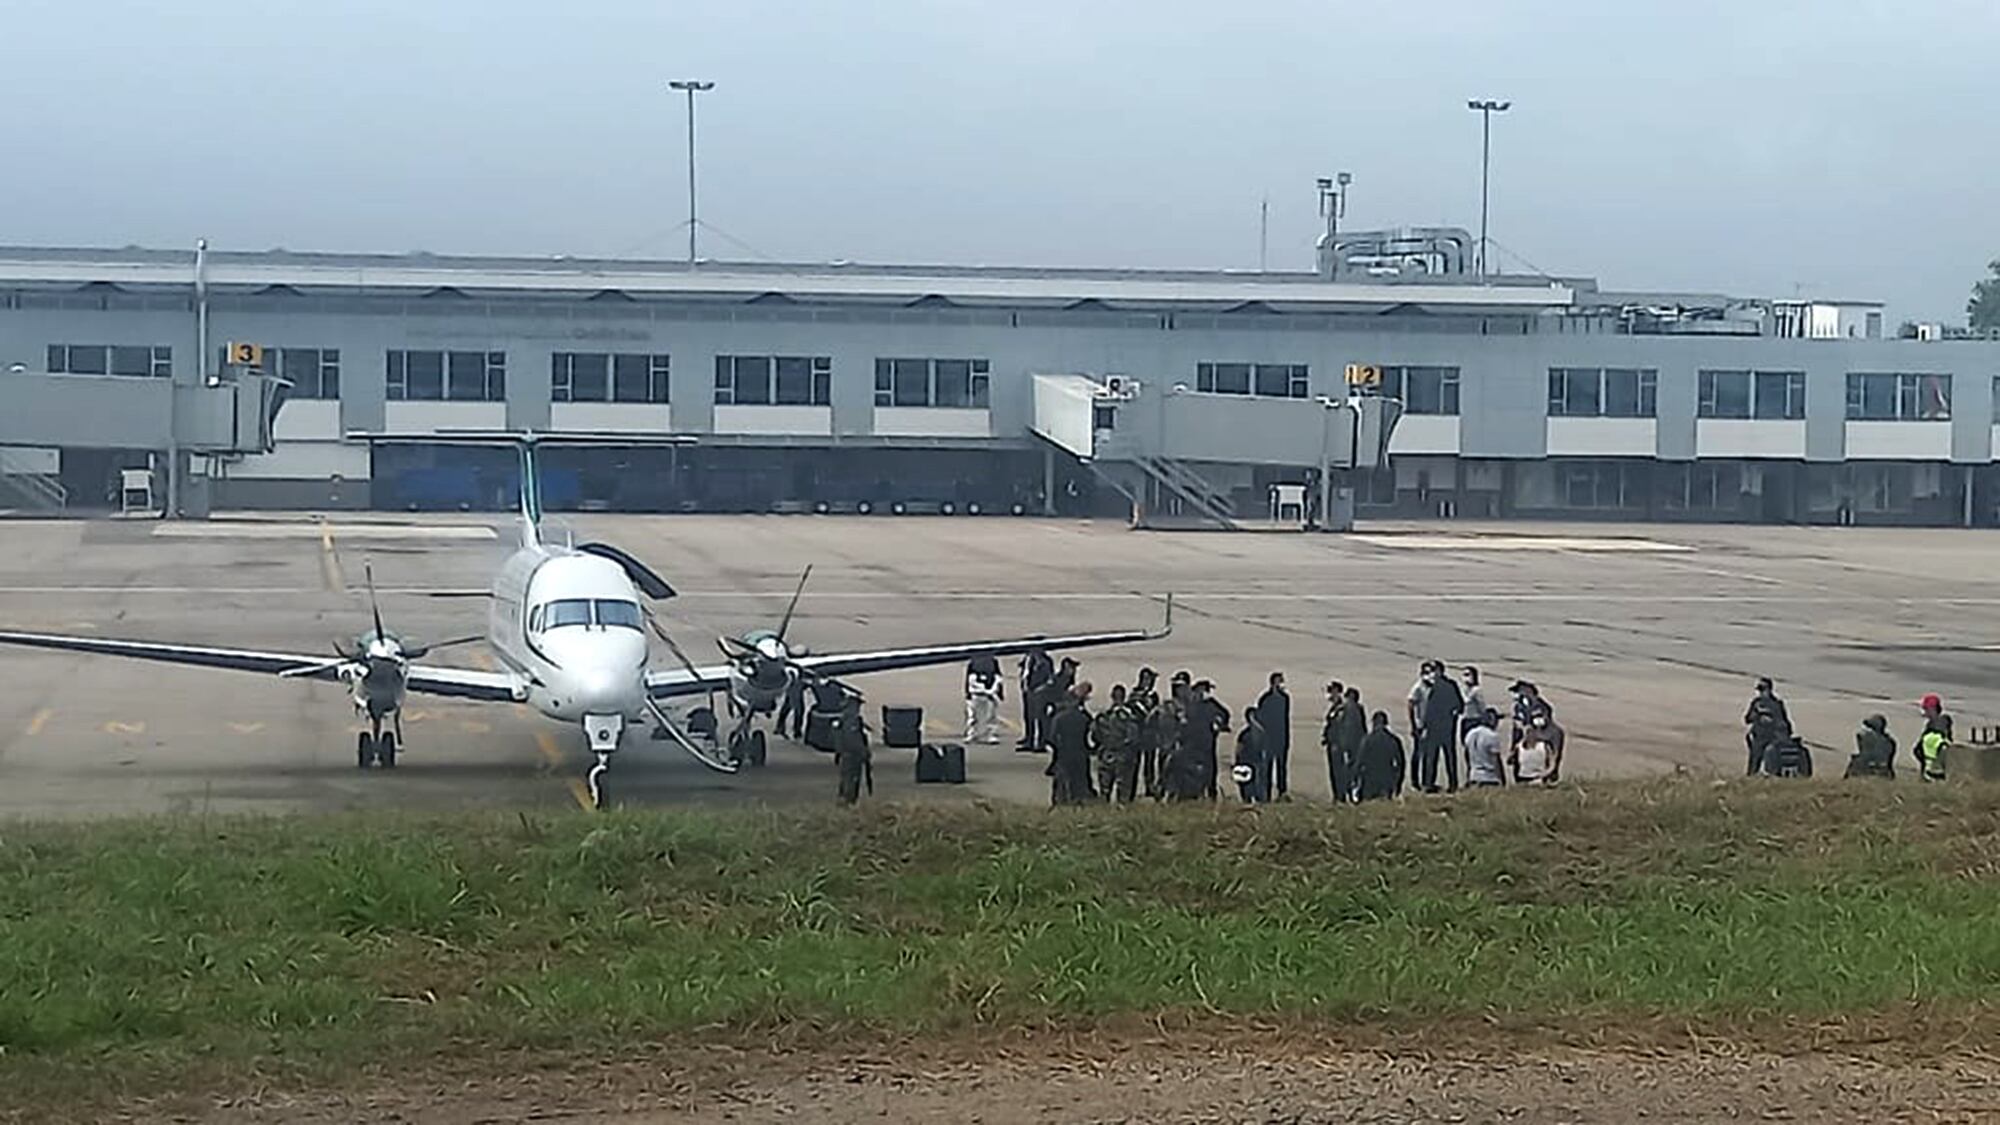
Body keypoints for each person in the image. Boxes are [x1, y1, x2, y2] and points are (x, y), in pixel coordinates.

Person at [1418, 663, 1465, 794]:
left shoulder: (1439, 687)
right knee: (1446, 756)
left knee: (1434, 756)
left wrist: (1424, 725)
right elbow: (1459, 706)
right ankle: (1451, 783)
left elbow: (1430, 709)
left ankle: (1430, 783)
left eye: (1434, 670)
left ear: (1440, 671)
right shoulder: (1449, 685)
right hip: (1446, 727)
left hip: (1438, 727)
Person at [1047, 680, 1096, 805]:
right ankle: (1079, 800)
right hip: (1080, 755)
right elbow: (1091, 737)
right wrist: (1090, 750)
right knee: (1080, 781)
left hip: (1063, 754)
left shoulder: (1059, 718)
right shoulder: (1084, 718)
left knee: (1061, 782)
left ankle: (1060, 802)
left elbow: (1052, 738)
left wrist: (1058, 748)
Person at [1093, 683, 1142, 804]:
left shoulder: (1103, 716)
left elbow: (1095, 736)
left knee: (1104, 790)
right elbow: (1133, 738)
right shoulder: (1129, 717)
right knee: (1123, 792)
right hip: (1123, 756)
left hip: (1106, 755)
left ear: (1112, 696)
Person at [1187, 680, 1230, 801]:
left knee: (1210, 769)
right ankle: (1199, 792)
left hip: (1207, 740)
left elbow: (1225, 714)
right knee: (1198, 768)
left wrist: (1220, 725)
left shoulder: (1210, 703)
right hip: (1196, 741)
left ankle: (1211, 792)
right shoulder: (1193, 704)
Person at [1743, 677, 1793, 777]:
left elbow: (1783, 721)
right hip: (1758, 737)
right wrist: (1756, 716)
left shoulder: (1776, 704)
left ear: (1769, 689)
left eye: (1762, 689)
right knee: (1754, 761)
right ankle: (1751, 776)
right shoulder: (1756, 702)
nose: (1760, 693)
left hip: (1772, 737)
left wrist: (1774, 724)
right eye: (1759, 690)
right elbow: (1747, 719)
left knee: (1772, 758)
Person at [1255, 671, 1292, 800]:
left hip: (1282, 737)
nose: (1281, 683)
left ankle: (1282, 792)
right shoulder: (1265, 698)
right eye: (1279, 681)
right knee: (1268, 766)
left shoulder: (1285, 698)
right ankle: (1267, 793)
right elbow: (1260, 716)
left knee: (1282, 766)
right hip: (1269, 737)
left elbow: (1285, 718)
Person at [1128, 668, 1163, 799]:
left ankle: (1150, 786)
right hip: (1138, 732)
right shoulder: (1134, 695)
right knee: (1135, 762)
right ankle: (1131, 788)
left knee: (1150, 762)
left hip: (1150, 733)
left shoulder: (1153, 695)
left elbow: (1155, 712)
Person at [1356, 711, 1406, 801]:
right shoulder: (1394, 740)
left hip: (1369, 782)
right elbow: (1401, 764)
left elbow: (1359, 763)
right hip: (1387, 782)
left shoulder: (1367, 740)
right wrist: (1397, 783)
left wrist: (1356, 783)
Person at [833, 692, 872, 805]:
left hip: (845, 754)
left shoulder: (843, 719)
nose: (858, 708)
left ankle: (844, 800)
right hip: (852, 755)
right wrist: (864, 752)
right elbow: (853, 739)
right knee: (852, 779)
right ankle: (848, 801)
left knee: (846, 778)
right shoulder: (851, 720)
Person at [1017, 647, 1054, 752]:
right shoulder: (1027, 658)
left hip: (1038, 692)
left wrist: (1040, 689)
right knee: (1028, 717)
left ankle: (1041, 743)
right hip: (1027, 690)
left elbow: (1049, 678)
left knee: (1040, 718)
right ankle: (1029, 739)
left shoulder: (1044, 661)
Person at [1320, 681, 1350, 803]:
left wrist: (1339, 743)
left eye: (1331, 691)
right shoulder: (1334, 707)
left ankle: (1341, 796)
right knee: (1333, 771)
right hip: (1331, 744)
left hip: (1337, 745)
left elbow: (1340, 727)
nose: (1329, 694)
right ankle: (1336, 795)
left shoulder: (1342, 708)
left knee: (1339, 771)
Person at [964, 654, 1004, 745]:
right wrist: (968, 693)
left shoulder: (993, 662)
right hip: (977, 693)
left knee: (990, 716)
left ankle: (990, 734)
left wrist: (999, 692)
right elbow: (969, 678)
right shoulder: (974, 662)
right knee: (973, 717)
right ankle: (972, 733)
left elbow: (998, 677)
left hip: (989, 694)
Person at [1462, 708, 1505, 787]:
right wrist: (1502, 780)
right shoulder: (1492, 736)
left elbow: (1467, 757)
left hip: (1474, 776)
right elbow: (1496, 760)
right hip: (1489, 778)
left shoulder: (1470, 734)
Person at [1518, 711, 1564, 785]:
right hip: (1525, 774)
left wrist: (1547, 772)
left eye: (1540, 716)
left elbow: (1555, 754)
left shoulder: (1554, 732)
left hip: (1543, 775)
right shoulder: (1531, 731)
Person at [1233, 708, 1269, 804]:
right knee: (1251, 787)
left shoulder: (1246, 734)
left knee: (1251, 787)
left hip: (1251, 762)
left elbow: (1238, 750)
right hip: (1250, 762)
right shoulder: (1259, 733)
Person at [1845, 714, 1896, 780]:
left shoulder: (1863, 737)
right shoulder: (1890, 742)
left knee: (1855, 761)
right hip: (1883, 770)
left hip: (1865, 768)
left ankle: (1846, 779)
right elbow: (1890, 762)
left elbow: (1862, 751)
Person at [1915, 692, 1953, 782]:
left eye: (1926, 709)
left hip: (1933, 766)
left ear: (1933, 709)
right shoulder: (1934, 724)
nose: (1925, 712)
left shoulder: (1936, 726)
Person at [1460, 666, 1489, 742]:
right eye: (1464, 675)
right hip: (1465, 719)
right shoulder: (1463, 690)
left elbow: (1481, 706)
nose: (1465, 678)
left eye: (1468, 675)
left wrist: (1484, 718)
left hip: (1475, 720)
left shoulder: (1476, 690)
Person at [777, 674, 807, 741]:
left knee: (787, 708)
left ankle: (780, 727)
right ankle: (796, 731)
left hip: (793, 689)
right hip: (796, 691)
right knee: (798, 711)